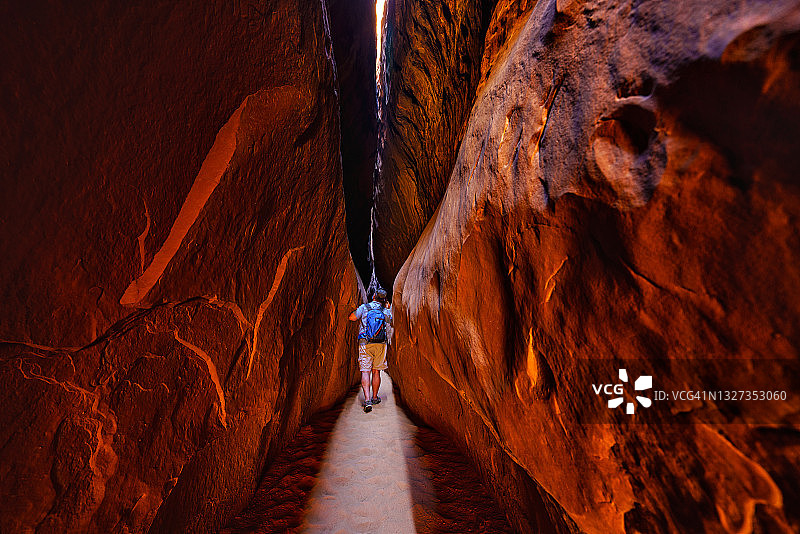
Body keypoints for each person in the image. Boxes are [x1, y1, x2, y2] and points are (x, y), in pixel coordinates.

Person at [349, 288, 392, 412]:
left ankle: (367, 400)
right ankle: (374, 397)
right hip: (380, 344)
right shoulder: (384, 310)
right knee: (376, 371)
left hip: (365, 343)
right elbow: (390, 321)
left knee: (365, 371)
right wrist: (388, 308)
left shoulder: (364, 307)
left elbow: (352, 318)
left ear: (373, 296)